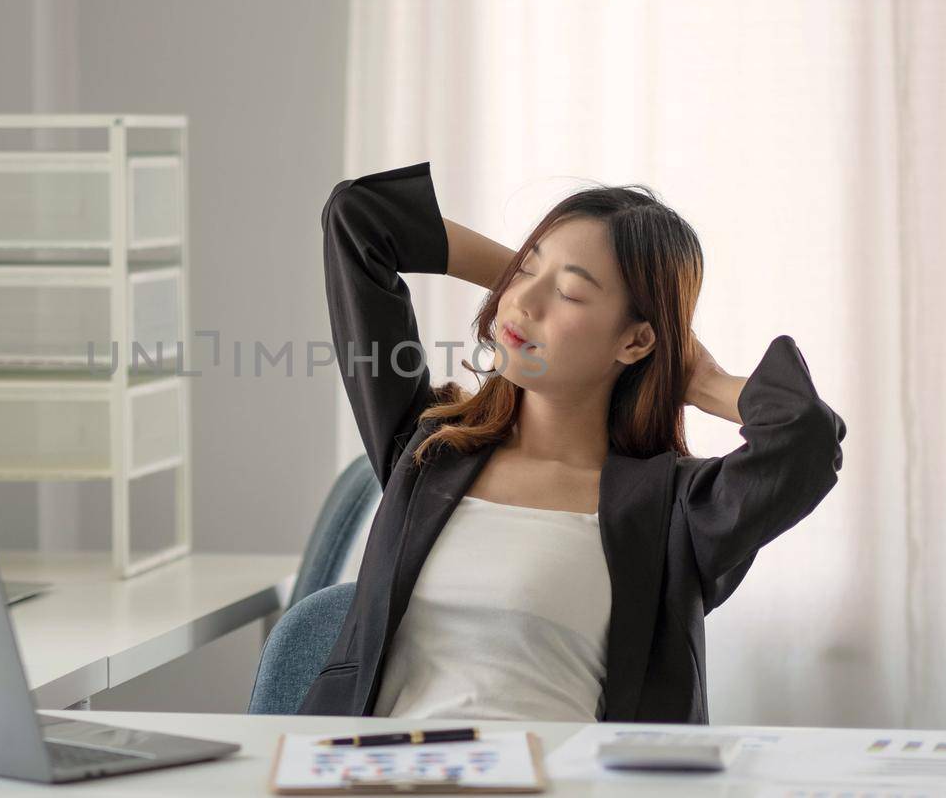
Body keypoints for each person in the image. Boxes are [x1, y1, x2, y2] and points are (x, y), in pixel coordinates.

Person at [299, 161, 847, 723]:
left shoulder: (677, 512)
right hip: (376, 777)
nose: (525, 302)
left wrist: (703, 380)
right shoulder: (427, 450)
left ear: (635, 341)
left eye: (569, 292)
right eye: (525, 269)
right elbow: (360, 219)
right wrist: (522, 280)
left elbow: (805, 438)